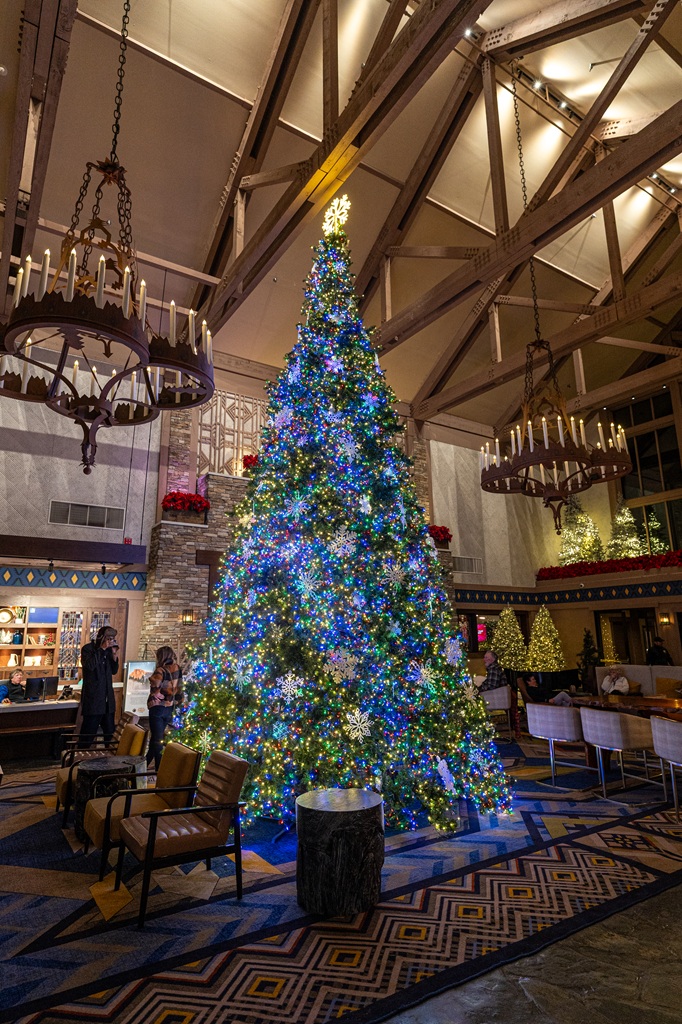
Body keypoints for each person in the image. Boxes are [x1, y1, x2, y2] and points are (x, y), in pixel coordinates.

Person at [147, 645, 184, 771]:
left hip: (157, 708)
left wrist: (154, 691)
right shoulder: (177, 668)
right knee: (156, 738)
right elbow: (180, 688)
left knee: (157, 740)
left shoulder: (160, 670)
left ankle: (159, 768)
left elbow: (156, 684)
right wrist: (177, 701)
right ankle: (144, 764)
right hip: (169, 707)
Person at [80, 626, 119, 744]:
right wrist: (101, 649)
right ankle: (80, 758)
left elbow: (114, 671)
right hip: (94, 702)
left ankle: (108, 760)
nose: (110, 641)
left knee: (109, 736)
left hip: (108, 703)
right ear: (101, 637)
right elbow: (90, 666)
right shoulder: (88, 649)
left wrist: (114, 655)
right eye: (108, 638)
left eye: (112, 638)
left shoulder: (108, 651)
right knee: (88, 735)